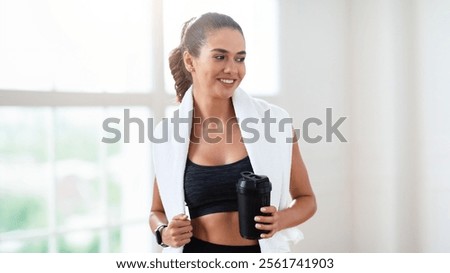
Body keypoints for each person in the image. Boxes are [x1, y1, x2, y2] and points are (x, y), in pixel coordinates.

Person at [149, 12, 316, 253]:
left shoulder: (274, 122)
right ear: (189, 61)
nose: (232, 69)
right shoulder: (168, 134)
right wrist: (163, 232)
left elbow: (306, 199)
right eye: (220, 57)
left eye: (240, 58)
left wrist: (281, 220)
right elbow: (157, 211)